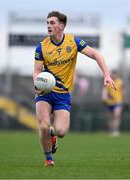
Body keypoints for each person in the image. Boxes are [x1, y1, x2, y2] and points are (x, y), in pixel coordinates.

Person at [33, 11, 116, 167]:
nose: (49, 26)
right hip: (44, 92)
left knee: (61, 131)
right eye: (47, 23)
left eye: (52, 23)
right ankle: (49, 159)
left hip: (63, 94)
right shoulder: (41, 47)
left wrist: (106, 75)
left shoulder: (73, 42)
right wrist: (37, 84)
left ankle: (53, 135)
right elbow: (37, 71)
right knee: (43, 125)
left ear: (62, 26)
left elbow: (96, 54)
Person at [101, 70, 124, 137]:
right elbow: (104, 91)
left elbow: (122, 91)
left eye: (114, 74)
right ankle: (111, 131)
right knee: (111, 117)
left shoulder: (120, 82)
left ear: (117, 75)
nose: (113, 76)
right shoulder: (108, 81)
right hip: (109, 103)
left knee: (116, 116)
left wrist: (123, 100)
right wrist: (104, 98)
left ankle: (116, 131)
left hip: (118, 102)